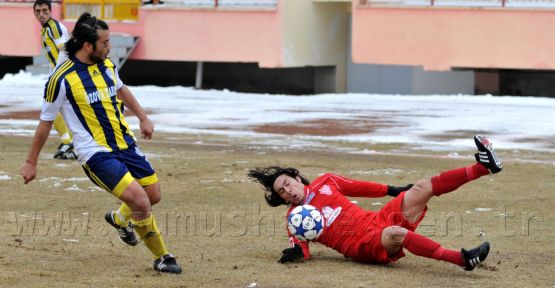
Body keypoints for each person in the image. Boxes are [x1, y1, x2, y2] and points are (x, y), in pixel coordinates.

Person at [20, 12, 182, 274]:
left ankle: (119, 219)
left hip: (124, 143)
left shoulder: (107, 64)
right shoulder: (60, 79)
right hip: (95, 153)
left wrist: (143, 117)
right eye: (105, 43)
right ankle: (163, 257)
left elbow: (121, 89)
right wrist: (31, 162)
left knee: (154, 195)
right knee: (141, 202)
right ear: (87, 46)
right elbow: (45, 122)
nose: (109, 47)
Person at [248, 135, 503, 271]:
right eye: (282, 192)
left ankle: (483, 167)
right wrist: (295, 252)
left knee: (422, 187)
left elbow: (360, 186)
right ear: (281, 199)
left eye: (287, 183)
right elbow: (300, 247)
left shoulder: (326, 181)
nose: (288, 191)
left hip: (376, 220)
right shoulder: (295, 219)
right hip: (361, 246)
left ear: (295, 177)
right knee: (396, 233)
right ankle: (462, 260)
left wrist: (393, 190)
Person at [33, 0, 76, 160]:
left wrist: (57, 74)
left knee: (51, 108)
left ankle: (70, 142)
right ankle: (69, 142)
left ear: (50, 11)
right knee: (59, 109)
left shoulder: (53, 27)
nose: (41, 14)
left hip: (63, 75)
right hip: (59, 73)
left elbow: (65, 50)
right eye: (38, 11)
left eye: (44, 10)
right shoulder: (46, 29)